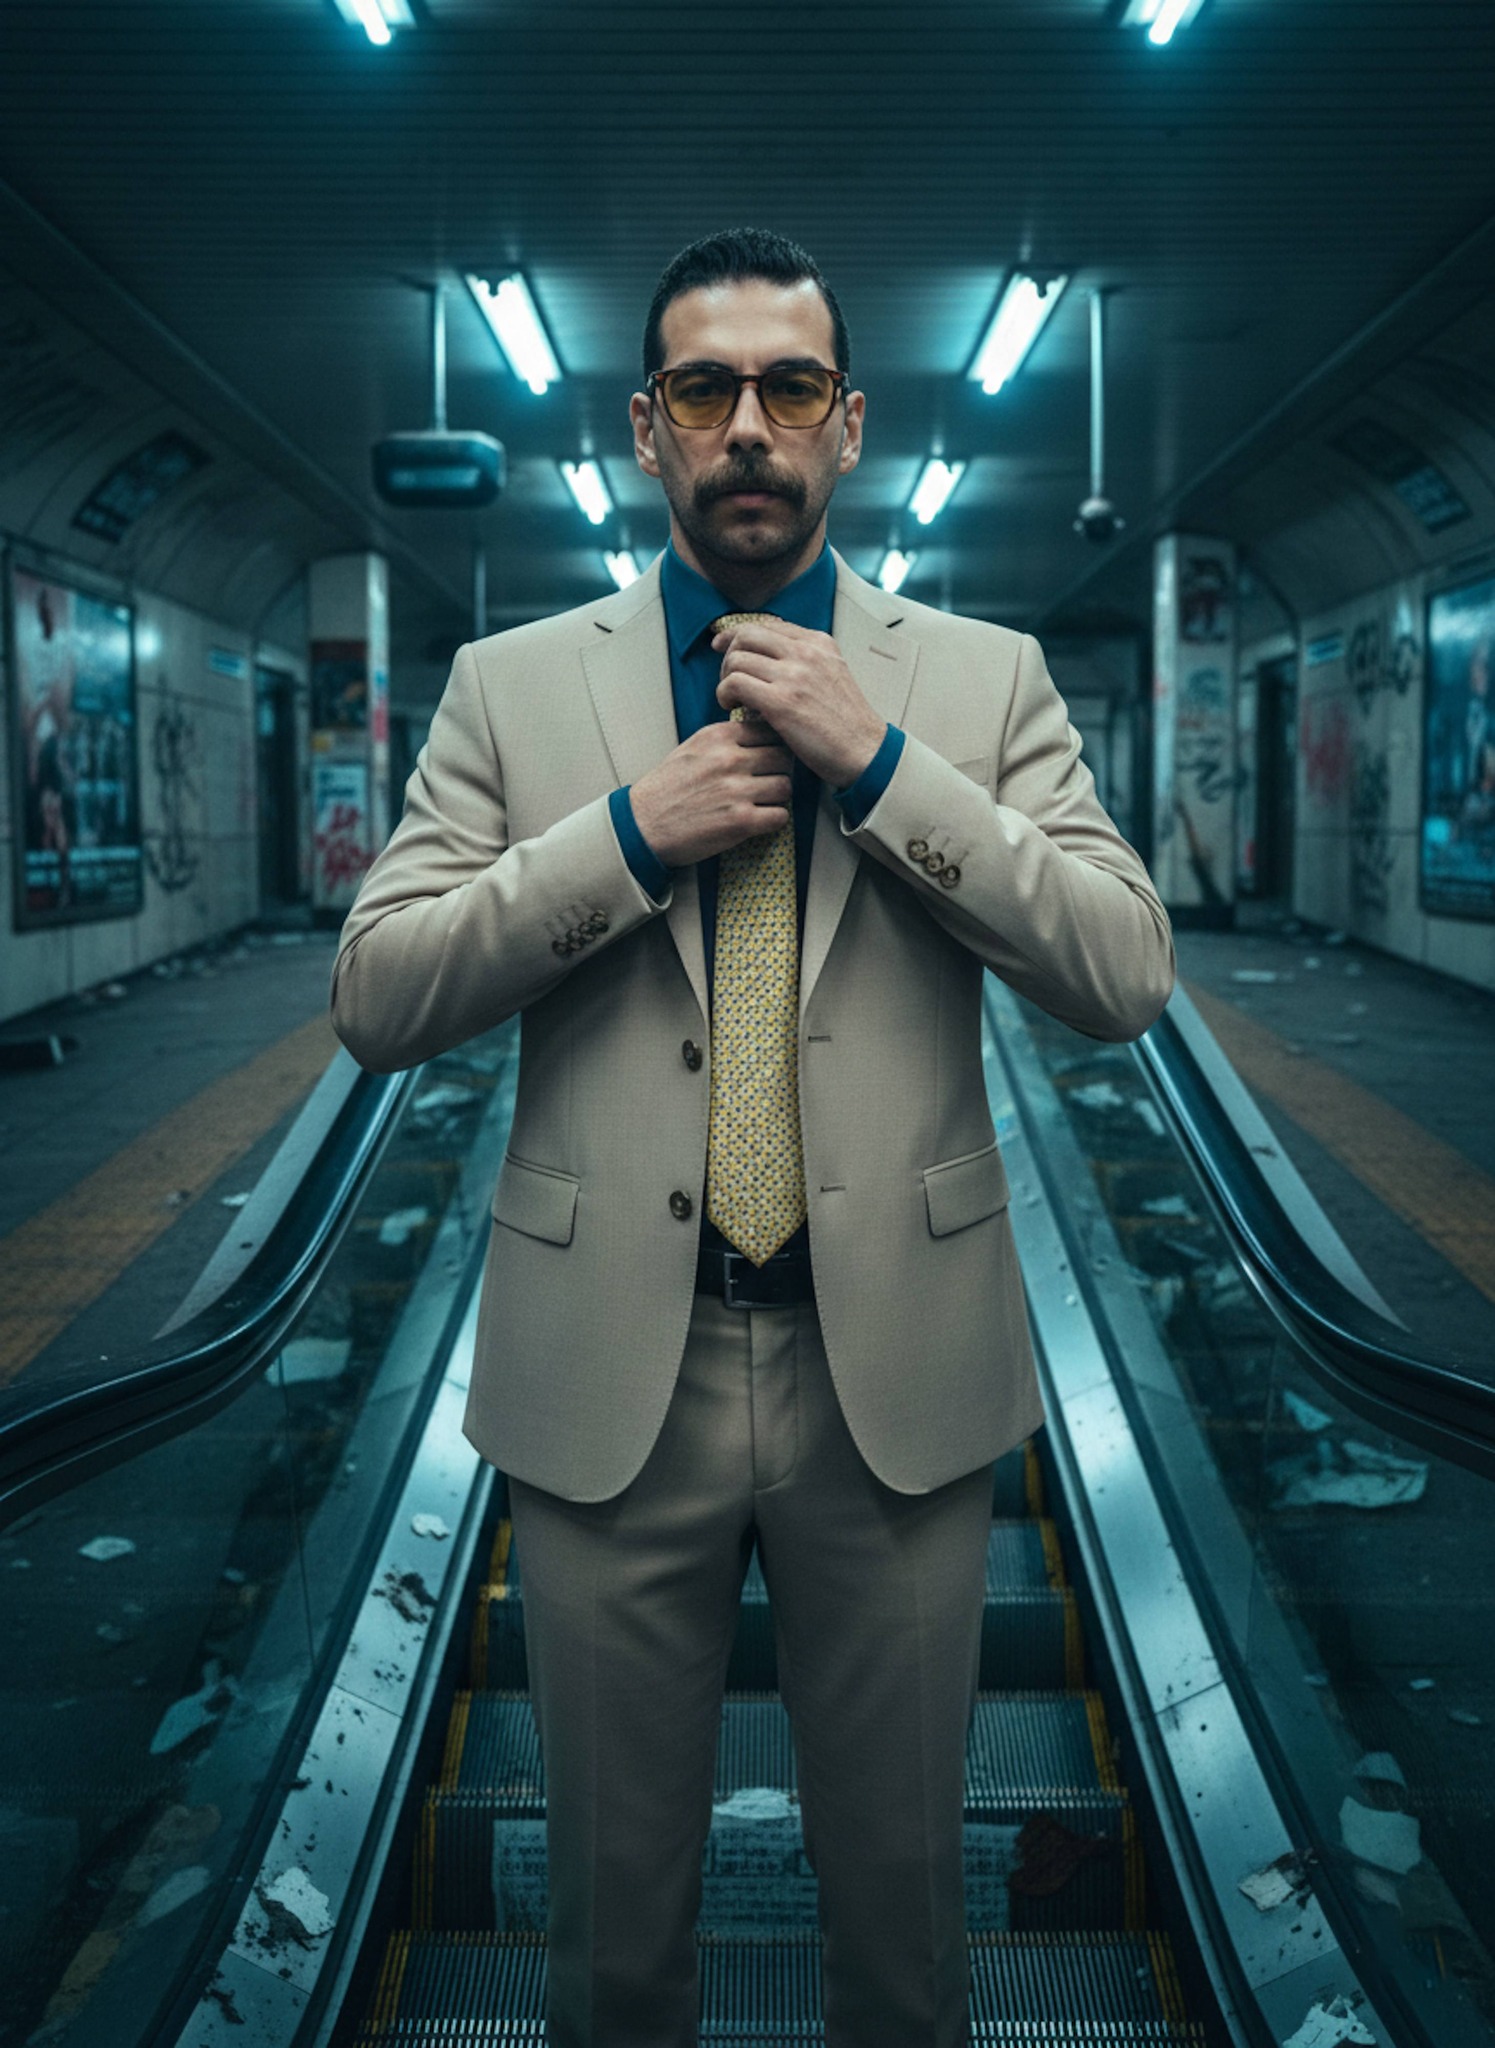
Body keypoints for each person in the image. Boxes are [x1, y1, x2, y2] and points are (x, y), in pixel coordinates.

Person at [330, 227, 1175, 2048]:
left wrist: (882, 766)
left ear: (849, 425)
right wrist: (628, 835)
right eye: (704, 390)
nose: (747, 430)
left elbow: (1123, 970)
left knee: (909, 1943)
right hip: (607, 1380)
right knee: (610, 1950)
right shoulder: (511, 687)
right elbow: (378, 993)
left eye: (790, 389)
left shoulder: (981, 681)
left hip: (899, 1376)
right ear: (646, 429)